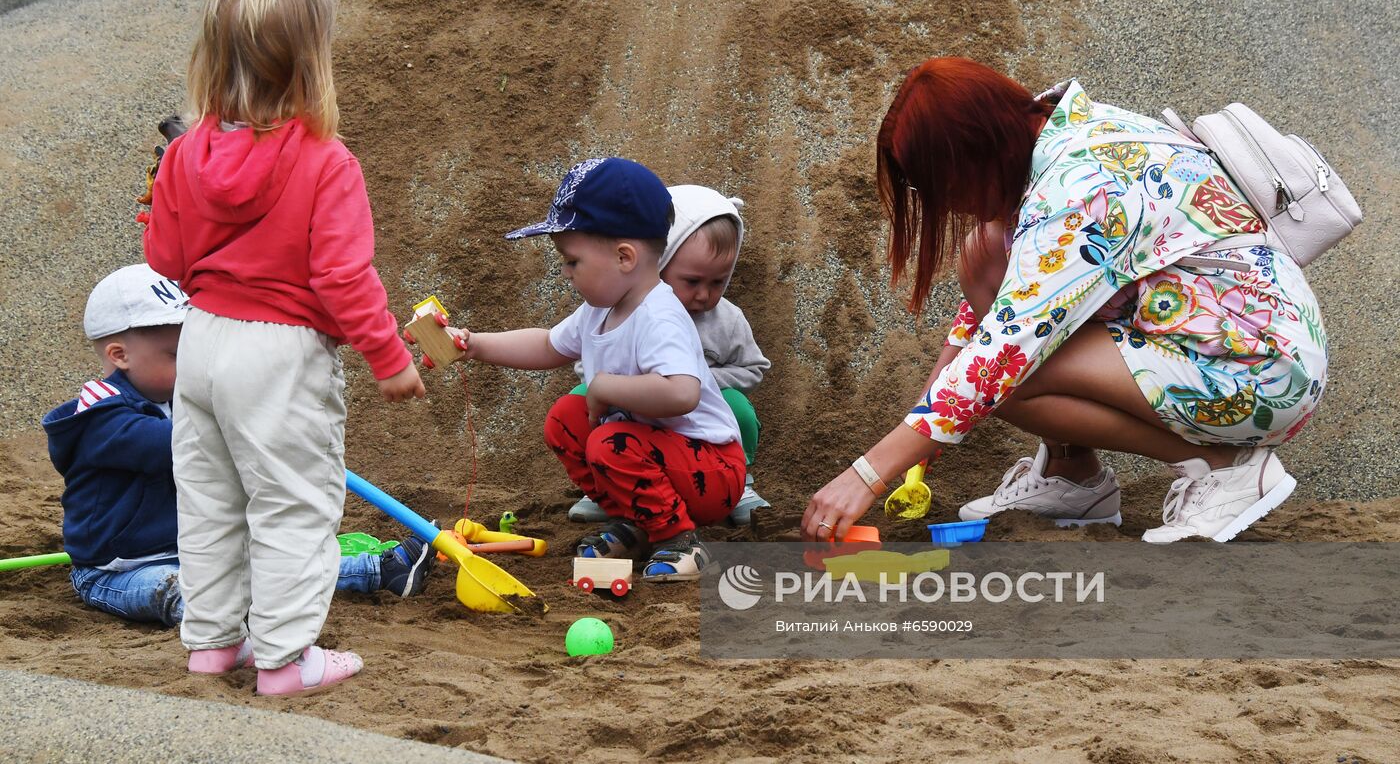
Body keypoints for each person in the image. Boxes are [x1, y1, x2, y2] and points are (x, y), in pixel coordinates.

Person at [803, 57, 1326, 544]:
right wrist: (927, 419)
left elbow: (1001, 353)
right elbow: (999, 313)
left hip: (1259, 371)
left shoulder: (1077, 188)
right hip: (1219, 336)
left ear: (971, 154)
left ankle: (1222, 466)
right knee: (983, 254)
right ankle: (1071, 475)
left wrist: (866, 475)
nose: (949, 204)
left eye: (940, 188)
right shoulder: (1058, 138)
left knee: (1003, 380)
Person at [142, 0, 425, 696]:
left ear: (213, 52)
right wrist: (388, 359)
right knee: (294, 507)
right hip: (280, 351)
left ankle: (211, 645)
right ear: (311, 59)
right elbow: (341, 275)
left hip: (200, 342)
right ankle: (287, 660)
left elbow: (164, 264)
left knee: (210, 500)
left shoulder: (185, 154)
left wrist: (165, 206)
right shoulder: (325, 160)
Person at [43, 266, 435, 632]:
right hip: (118, 570)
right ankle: (228, 620)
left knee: (282, 560)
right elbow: (176, 446)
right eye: (179, 356)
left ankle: (383, 570)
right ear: (119, 355)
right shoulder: (100, 416)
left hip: (201, 550)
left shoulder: (183, 395)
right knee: (178, 589)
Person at [445, 158, 746, 581]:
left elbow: (683, 393)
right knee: (565, 421)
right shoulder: (598, 311)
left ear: (625, 257)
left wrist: (605, 385)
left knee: (610, 441)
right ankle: (636, 522)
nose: (566, 273)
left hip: (713, 470)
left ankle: (680, 542)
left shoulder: (660, 315)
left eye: (572, 262)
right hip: (660, 458)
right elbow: (548, 344)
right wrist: (474, 344)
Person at [568, 184, 771, 526]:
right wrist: (622, 386)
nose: (704, 295)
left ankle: (739, 485)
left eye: (718, 282)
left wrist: (702, 380)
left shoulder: (728, 319)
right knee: (577, 400)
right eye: (691, 281)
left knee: (739, 409)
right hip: (631, 412)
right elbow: (584, 362)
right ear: (658, 265)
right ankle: (605, 485)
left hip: (700, 423)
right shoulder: (623, 311)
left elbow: (754, 368)